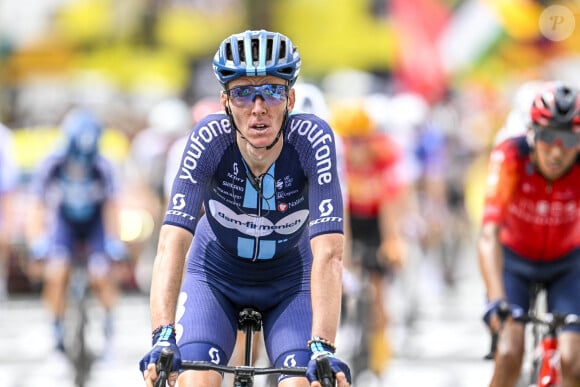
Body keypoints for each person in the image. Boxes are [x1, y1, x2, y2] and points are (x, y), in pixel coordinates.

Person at [139, 29, 351, 387]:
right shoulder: (208, 140)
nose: (258, 108)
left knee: (306, 383)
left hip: (290, 280)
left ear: (291, 98)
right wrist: (162, 335)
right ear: (224, 102)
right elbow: (172, 242)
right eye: (242, 94)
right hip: (216, 275)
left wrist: (323, 345)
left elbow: (329, 252)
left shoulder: (313, 141)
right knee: (194, 382)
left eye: (272, 90)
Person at [478, 81, 580, 387]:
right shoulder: (511, 156)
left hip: (567, 264)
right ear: (532, 133)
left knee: (574, 361)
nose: (557, 151)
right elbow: (488, 233)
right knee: (509, 352)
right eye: (548, 137)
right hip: (514, 263)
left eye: (569, 139)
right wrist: (496, 300)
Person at [26, 108, 126, 360]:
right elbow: (37, 206)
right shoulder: (52, 164)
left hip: (95, 225)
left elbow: (111, 207)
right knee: (57, 272)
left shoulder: (103, 166)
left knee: (101, 273)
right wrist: (37, 240)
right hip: (65, 223)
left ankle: (108, 330)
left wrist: (115, 241)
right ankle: (57, 334)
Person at [330, 98, 409, 380]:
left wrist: (393, 241)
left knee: (377, 290)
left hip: (376, 221)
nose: (356, 148)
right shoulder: (336, 159)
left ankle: (379, 351)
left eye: (361, 140)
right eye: (350, 140)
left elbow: (391, 203)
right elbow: (341, 210)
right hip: (350, 220)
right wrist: (343, 256)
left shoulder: (384, 154)